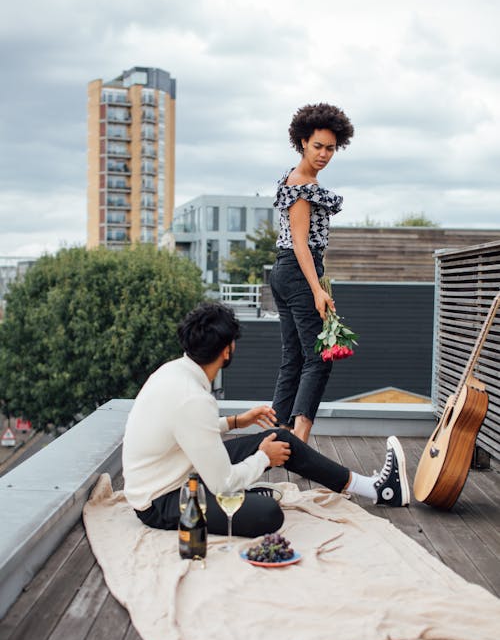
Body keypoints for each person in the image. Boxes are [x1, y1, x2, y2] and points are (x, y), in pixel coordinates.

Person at [122, 302, 410, 539]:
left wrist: (235, 421)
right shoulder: (192, 398)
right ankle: (250, 491)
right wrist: (263, 458)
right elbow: (223, 483)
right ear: (226, 350)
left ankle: (374, 488)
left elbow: (184, 430)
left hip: (178, 471)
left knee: (281, 438)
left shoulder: (174, 372)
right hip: (162, 500)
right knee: (268, 514)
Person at [270, 102, 354, 443]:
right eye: (318, 145)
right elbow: (302, 244)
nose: (324, 154)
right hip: (298, 268)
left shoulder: (298, 178)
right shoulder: (302, 185)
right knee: (320, 358)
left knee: (294, 357)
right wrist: (317, 289)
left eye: (331, 148)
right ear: (303, 141)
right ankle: (300, 442)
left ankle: (277, 437)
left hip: (285, 271)